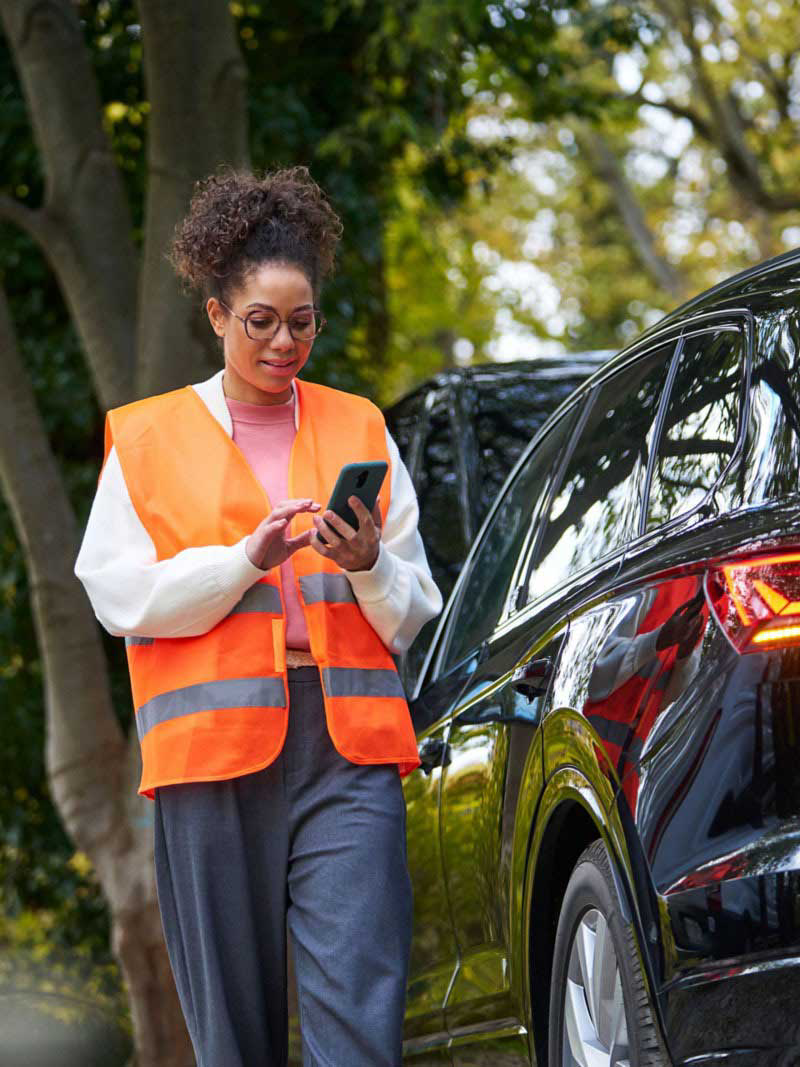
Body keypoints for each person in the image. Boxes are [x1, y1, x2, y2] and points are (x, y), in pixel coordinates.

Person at [73, 164, 443, 1067]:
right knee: (233, 1039)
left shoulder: (360, 426)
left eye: (303, 320)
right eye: (261, 322)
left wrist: (367, 567)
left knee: (361, 1010)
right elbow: (119, 594)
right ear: (215, 316)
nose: (285, 341)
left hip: (347, 752)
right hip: (209, 762)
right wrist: (246, 562)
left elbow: (414, 604)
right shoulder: (147, 435)